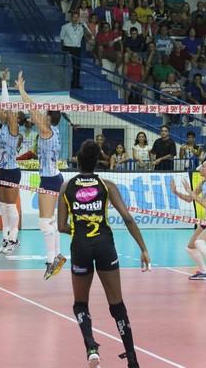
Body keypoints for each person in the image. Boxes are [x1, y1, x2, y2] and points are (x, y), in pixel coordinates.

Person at [57, 139, 150, 368]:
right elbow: (127, 218)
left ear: (78, 160)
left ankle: (91, 347)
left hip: (80, 246)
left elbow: (61, 226)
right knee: (117, 305)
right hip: (104, 245)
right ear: (97, 161)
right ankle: (132, 359)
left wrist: (81, 228)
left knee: (80, 303)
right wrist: (143, 248)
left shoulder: (66, 186)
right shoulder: (106, 184)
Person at [17, 71, 67, 279]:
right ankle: (56, 255)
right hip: (54, 176)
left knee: (44, 222)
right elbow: (35, 112)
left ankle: (51, 259)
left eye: (44, 114)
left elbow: (32, 109)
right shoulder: (54, 131)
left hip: (50, 178)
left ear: (48, 118)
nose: (41, 115)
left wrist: (21, 90)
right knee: (50, 221)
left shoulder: (47, 131)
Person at [170, 159, 206, 288]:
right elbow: (189, 199)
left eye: (203, 166)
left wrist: (189, 190)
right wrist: (176, 192)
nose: (200, 168)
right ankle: (203, 272)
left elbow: (205, 203)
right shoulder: (204, 182)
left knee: (199, 242)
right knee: (190, 247)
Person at [0, 69, 22, 255]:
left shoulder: (14, 128)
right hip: (1, 170)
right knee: (3, 207)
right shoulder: (3, 125)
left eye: (13, 113)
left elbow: (6, 105)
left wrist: (4, 83)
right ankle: (5, 239)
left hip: (13, 171)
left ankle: (13, 239)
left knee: (10, 207)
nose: (10, 113)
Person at [60, 12, 86, 89]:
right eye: (74, 17)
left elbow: (81, 38)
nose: (75, 19)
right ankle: (64, 84)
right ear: (71, 18)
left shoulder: (81, 28)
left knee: (77, 67)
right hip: (68, 48)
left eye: (77, 17)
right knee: (65, 67)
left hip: (77, 48)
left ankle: (76, 85)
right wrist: (64, 48)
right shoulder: (65, 27)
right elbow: (62, 38)